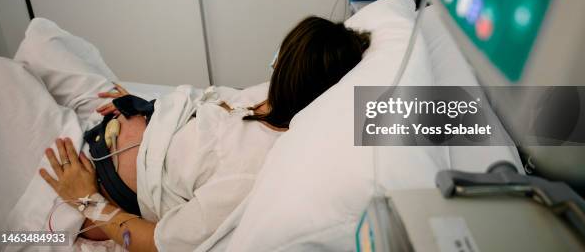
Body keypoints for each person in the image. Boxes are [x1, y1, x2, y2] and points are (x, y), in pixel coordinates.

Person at [39, 16, 370, 251]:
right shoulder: (266, 94)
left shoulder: (251, 170)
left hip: (90, 176)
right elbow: (207, 104)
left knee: (3, 76)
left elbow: (156, 243)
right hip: (119, 113)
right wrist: (142, 106)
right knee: (42, 36)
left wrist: (86, 200)